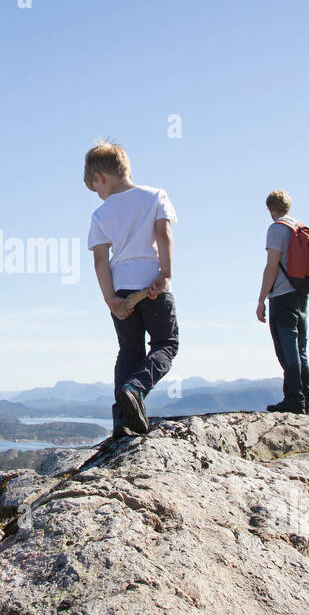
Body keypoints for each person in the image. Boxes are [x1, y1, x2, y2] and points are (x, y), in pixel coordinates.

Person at [84, 138, 178, 436]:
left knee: (129, 351)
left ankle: (122, 421)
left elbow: (101, 261)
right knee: (166, 344)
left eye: (95, 188)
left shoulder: (100, 215)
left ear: (101, 177)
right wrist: (165, 274)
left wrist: (109, 298)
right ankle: (135, 389)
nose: (98, 196)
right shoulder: (154, 196)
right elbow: (163, 235)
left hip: (122, 289)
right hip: (152, 284)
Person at [256, 189, 309, 414]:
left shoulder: (276, 229)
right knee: (301, 349)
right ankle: (306, 398)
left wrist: (261, 300)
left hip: (281, 296)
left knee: (286, 349)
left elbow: (271, 266)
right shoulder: (300, 228)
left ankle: (294, 400)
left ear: (270, 209)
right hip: (301, 294)